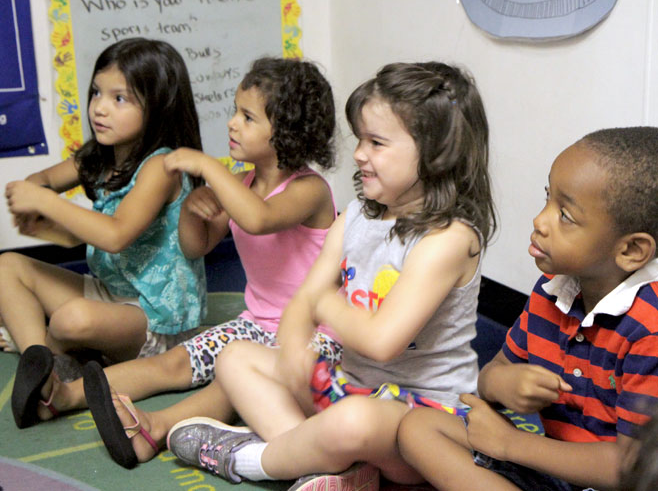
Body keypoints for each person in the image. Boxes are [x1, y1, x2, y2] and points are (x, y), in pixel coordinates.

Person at [166, 60, 497, 490]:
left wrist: (324, 304)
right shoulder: (357, 215)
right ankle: (326, 470)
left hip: (422, 424)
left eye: (376, 143)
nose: (359, 153)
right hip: (349, 391)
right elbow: (303, 301)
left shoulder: (449, 238)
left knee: (353, 421)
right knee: (236, 358)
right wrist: (293, 352)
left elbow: (381, 341)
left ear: (436, 154)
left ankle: (251, 459)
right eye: (360, 139)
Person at [14, 57, 342, 471]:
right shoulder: (240, 183)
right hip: (256, 323)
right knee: (169, 364)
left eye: (247, 117)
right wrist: (191, 211)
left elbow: (259, 219)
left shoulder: (309, 189)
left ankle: (155, 428)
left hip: (313, 335)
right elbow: (196, 246)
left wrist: (206, 166)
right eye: (234, 112)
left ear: (287, 132)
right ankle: (63, 396)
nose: (231, 124)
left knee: (229, 383)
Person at [396, 127, 658, 491]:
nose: (540, 220)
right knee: (419, 428)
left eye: (565, 215)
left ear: (630, 250)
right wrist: (502, 383)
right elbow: (492, 374)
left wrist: (511, 444)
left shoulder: (649, 328)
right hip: (548, 461)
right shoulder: (553, 290)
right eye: (547, 199)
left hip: (615, 482)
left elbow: (631, 469)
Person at [4, 37, 207, 428]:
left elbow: (115, 235)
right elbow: (44, 178)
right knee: (7, 266)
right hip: (111, 294)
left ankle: (51, 344)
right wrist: (34, 198)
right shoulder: (99, 154)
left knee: (71, 319)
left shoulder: (161, 166)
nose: (99, 107)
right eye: (97, 92)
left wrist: (46, 204)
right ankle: (41, 364)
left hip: (155, 318)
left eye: (120, 99)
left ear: (158, 108)